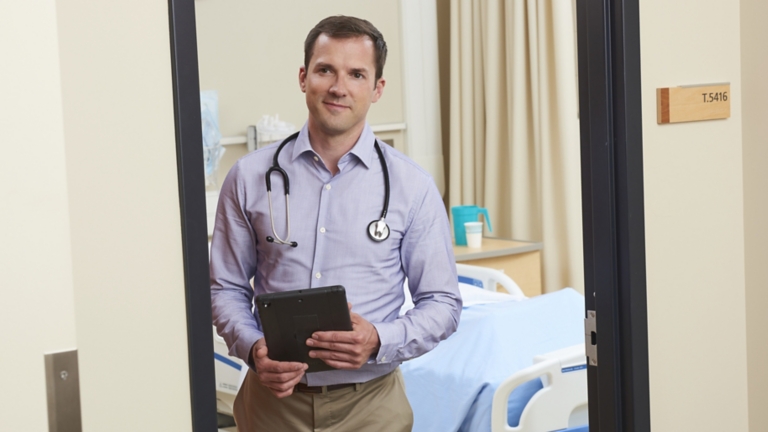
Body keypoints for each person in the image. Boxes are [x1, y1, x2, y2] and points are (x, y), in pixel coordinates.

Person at [210, 15, 461, 431]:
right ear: (303, 77)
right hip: (272, 407)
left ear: (377, 88)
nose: (338, 87)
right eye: (325, 70)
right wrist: (253, 347)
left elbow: (443, 304)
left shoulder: (412, 187)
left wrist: (379, 339)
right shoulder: (249, 177)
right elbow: (225, 288)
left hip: (372, 408)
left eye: (356, 74)